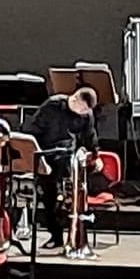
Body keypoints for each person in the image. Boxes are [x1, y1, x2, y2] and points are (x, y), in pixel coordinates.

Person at [24, 86, 100, 250]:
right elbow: (33, 130)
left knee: (71, 192)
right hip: (47, 154)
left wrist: (96, 155)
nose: (84, 113)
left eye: (87, 111)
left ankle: (76, 233)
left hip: (67, 156)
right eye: (83, 109)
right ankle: (56, 235)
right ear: (75, 99)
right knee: (49, 195)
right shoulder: (52, 106)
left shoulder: (87, 115)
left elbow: (90, 135)